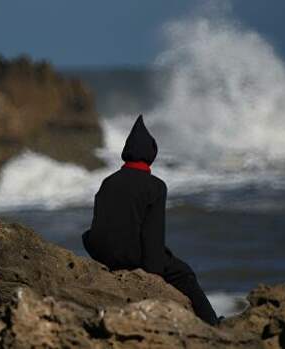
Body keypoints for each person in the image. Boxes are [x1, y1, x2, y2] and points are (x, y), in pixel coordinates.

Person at [82, 114, 219, 325]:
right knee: (184, 273)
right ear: (151, 153)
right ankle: (213, 323)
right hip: (131, 258)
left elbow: (102, 224)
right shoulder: (155, 186)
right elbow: (152, 236)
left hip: (103, 254)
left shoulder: (107, 182)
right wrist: (153, 278)